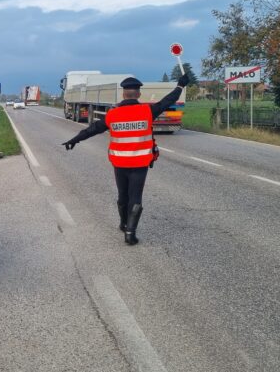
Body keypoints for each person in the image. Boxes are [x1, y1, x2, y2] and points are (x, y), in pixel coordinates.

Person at [62, 74, 190, 245]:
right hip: (140, 164)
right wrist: (180, 86)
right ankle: (130, 233)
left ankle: (123, 223)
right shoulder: (147, 111)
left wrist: (74, 140)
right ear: (138, 94)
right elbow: (167, 101)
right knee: (135, 197)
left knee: (123, 195)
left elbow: (92, 130)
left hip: (120, 163)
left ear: (123, 94)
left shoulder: (112, 114)